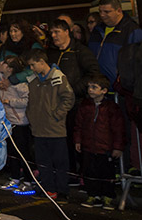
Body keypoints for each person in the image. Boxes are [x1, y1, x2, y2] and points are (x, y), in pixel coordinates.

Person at [47, 18, 100, 183]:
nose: (54, 36)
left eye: (57, 32)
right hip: (55, 105)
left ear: (67, 31)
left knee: (75, 140)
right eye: (52, 33)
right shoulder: (51, 53)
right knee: (61, 142)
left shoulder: (80, 51)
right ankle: (66, 174)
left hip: (75, 104)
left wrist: (74, 90)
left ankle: (81, 175)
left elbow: (93, 72)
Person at [26, 49, 75, 200]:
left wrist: (57, 115)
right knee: (43, 162)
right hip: (38, 128)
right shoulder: (33, 80)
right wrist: (31, 117)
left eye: (33, 65)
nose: (31, 69)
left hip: (55, 129)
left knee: (60, 162)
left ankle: (62, 190)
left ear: (42, 62)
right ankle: (48, 188)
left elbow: (69, 98)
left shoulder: (58, 78)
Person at [74, 74, 125, 209]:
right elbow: (78, 125)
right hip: (89, 146)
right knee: (90, 171)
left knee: (106, 172)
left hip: (105, 147)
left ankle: (108, 196)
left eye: (94, 87)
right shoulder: (85, 106)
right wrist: (78, 140)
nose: (90, 90)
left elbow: (118, 128)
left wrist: (117, 147)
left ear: (103, 90)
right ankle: (92, 195)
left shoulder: (111, 108)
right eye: (89, 87)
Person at [88, 0, 142, 89]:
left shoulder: (132, 30)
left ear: (119, 11)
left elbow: (137, 64)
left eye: (107, 12)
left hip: (121, 88)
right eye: (100, 11)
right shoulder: (97, 30)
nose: (102, 15)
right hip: (97, 88)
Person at [0, 55, 33, 191]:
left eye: (5, 63)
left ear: (11, 69)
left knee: (23, 152)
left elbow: (27, 100)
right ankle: (15, 178)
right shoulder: (1, 81)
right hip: (7, 122)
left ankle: (29, 181)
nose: (1, 63)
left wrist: (9, 102)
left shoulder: (20, 84)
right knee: (11, 152)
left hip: (19, 122)